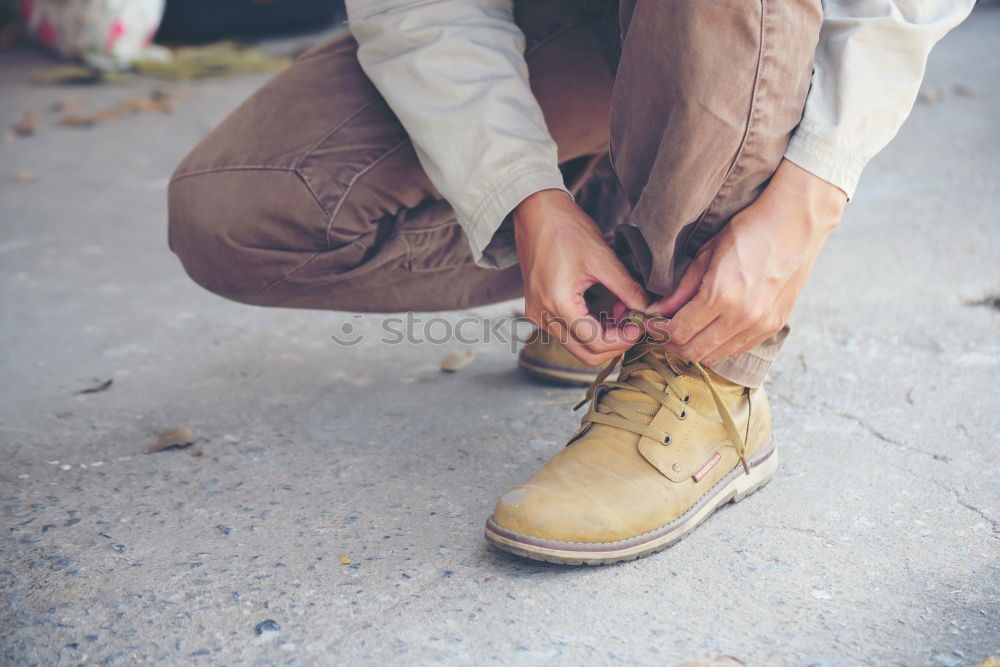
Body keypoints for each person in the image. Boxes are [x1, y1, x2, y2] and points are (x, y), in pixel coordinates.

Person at [167, 0, 973, 564]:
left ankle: (705, 373)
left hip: (751, 21)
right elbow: (419, 9)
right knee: (242, 209)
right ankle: (621, 240)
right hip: (568, 20)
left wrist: (813, 188)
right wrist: (527, 196)